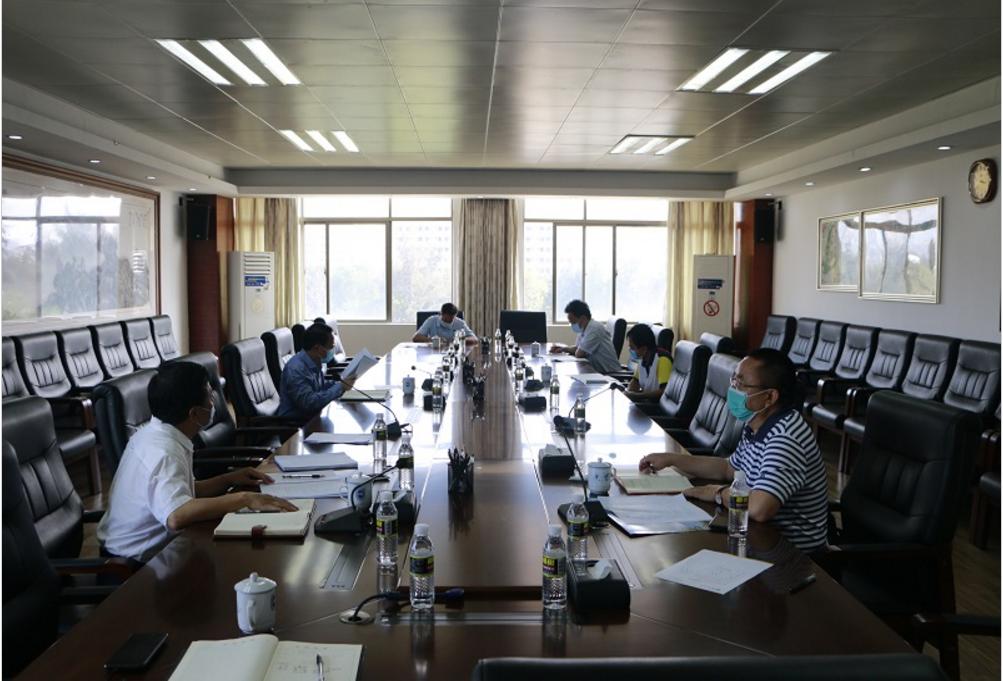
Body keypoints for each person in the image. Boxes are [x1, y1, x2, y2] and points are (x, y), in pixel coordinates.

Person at [97, 362, 297, 563]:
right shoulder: (163, 451)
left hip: (161, 551)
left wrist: (229, 479)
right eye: (210, 396)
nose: (214, 401)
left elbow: (186, 492)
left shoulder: (158, 433)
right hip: (132, 566)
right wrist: (244, 499)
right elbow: (176, 516)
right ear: (194, 413)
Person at [638, 348, 828, 552]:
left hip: (792, 555)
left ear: (769, 397)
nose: (733, 389)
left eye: (741, 384)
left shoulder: (785, 437)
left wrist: (717, 493)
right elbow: (728, 468)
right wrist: (672, 459)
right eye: (734, 380)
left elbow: (759, 508)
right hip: (758, 535)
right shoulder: (757, 424)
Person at [277, 323, 356, 420]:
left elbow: (319, 388)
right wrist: (340, 387)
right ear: (317, 348)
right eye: (331, 347)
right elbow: (309, 403)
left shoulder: (315, 361)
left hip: (313, 416)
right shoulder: (296, 369)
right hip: (295, 423)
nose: (332, 351)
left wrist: (341, 384)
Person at [549, 299, 621, 374]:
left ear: (583, 318)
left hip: (609, 374)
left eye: (573, 322)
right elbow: (578, 348)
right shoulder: (584, 328)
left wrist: (572, 350)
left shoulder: (594, 329)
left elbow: (579, 354)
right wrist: (562, 349)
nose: (572, 325)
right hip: (596, 371)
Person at [623, 324, 673, 401]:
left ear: (644, 348)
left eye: (633, 347)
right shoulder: (643, 358)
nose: (630, 350)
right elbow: (635, 381)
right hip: (647, 401)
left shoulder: (662, 360)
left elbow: (664, 391)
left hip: (657, 405)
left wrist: (638, 396)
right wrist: (628, 392)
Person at [413, 303, 477, 344]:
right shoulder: (432, 320)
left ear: (455, 316)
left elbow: (474, 339)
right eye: (445, 319)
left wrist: (459, 340)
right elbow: (416, 338)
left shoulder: (460, 323)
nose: (448, 322)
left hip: (454, 352)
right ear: (441, 314)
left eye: (451, 320)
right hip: (434, 352)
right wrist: (433, 340)